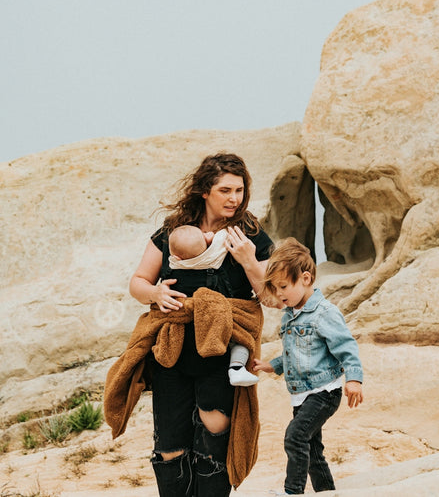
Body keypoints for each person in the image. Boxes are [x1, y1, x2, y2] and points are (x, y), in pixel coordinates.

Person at [103, 153, 273, 497]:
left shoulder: (249, 234)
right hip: (172, 348)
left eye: (239, 190)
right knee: (169, 446)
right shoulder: (171, 233)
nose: (234, 198)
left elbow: (271, 296)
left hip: (221, 348)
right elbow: (138, 282)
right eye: (225, 189)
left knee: (214, 427)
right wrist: (154, 293)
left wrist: (248, 260)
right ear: (204, 191)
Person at [253, 237, 364, 496]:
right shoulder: (291, 315)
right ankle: (326, 490)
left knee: (295, 436)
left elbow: (346, 346)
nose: (279, 294)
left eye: (283, 286)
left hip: (324, 392)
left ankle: (293, 492)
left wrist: (354, 379)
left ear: (305, 279)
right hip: (301, 394)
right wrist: (273, 365)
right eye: (275, 289)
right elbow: (297, 353)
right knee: (313, 449)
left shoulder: (324, 313)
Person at [168, 225, 259, 387]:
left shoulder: (175, 265)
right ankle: (237, 368)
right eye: (204, 235)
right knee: (242, 340)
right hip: (219, 319)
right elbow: (223, 238)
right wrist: (211, 236)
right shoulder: (214, 256)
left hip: (193, 332)